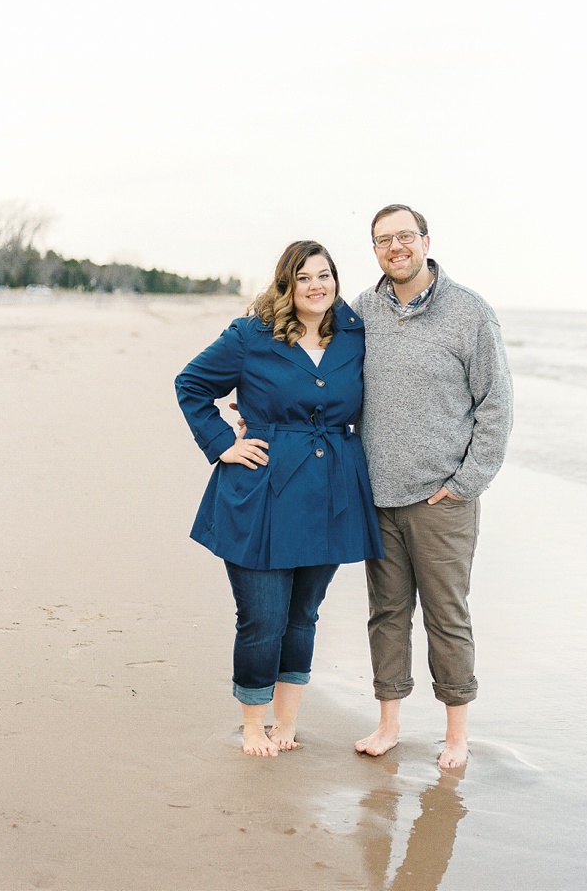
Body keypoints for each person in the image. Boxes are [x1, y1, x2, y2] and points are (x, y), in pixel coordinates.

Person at [175, 240, 384, 758]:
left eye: (325, 275)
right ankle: (252, 724)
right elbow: (191, 384)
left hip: (332, 491)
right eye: (305, 277)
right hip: (262, 490)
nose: (318, 286)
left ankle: (286, 722)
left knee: (303, 615)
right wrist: (224, 443)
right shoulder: (251, 336)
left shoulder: (355, 334)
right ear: (286, 284)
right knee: (262, 618)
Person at [352, 205, 513, 768]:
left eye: (404, 237)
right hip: (377, 496)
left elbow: (495, 404)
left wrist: (467, 482)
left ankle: (456, 733)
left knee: (447, 616)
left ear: (425, 241)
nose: (394, 247)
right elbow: (316, 369)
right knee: (387, 613)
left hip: (443, 499)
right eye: (382, 240)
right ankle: (389, 724)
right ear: (374, 250)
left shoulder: (468, 312)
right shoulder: (363, 311)